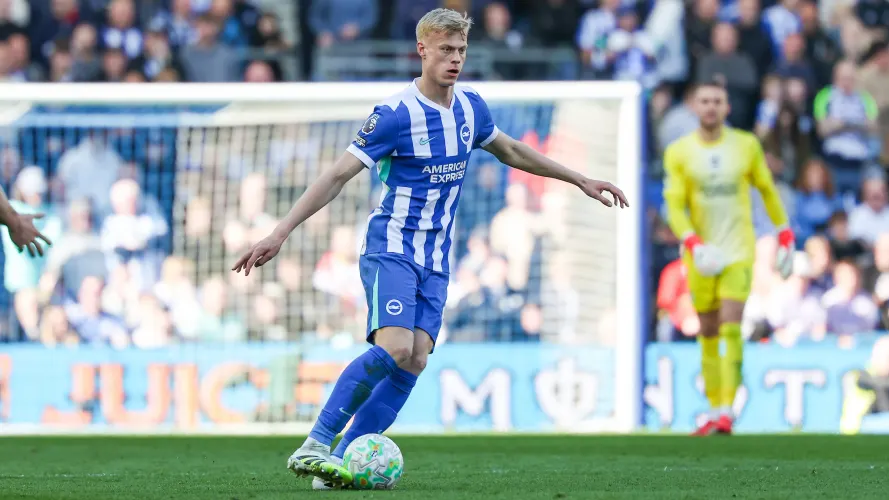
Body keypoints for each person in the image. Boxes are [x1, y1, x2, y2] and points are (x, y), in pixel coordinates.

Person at [231, 8, 628, 489]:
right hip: (391, 248)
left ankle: (339, 466)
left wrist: (579, 178)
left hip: (436, 259)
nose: (455, 59)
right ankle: (316, 442)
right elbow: (337, 175)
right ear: (422, 50)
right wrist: (280, 232)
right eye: (445, 50)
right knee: (395, 346)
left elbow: (513, 151)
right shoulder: (394, 115)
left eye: (461, 50)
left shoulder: (471, 108)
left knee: (416, 358)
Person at [662, 80, 794, 436]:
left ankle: (726, 413)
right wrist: (690, 240)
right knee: (706, 331)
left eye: (717, 101)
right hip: (700, 253)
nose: (710, 107)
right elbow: (673, 204)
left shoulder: (746, 145)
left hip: (738, 251)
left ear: (727, 107)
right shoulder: (678, 152)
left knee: (731, 326)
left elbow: (767, 189)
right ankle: (715, 406)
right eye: (704, 101)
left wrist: (784, 232)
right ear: (694, 106)